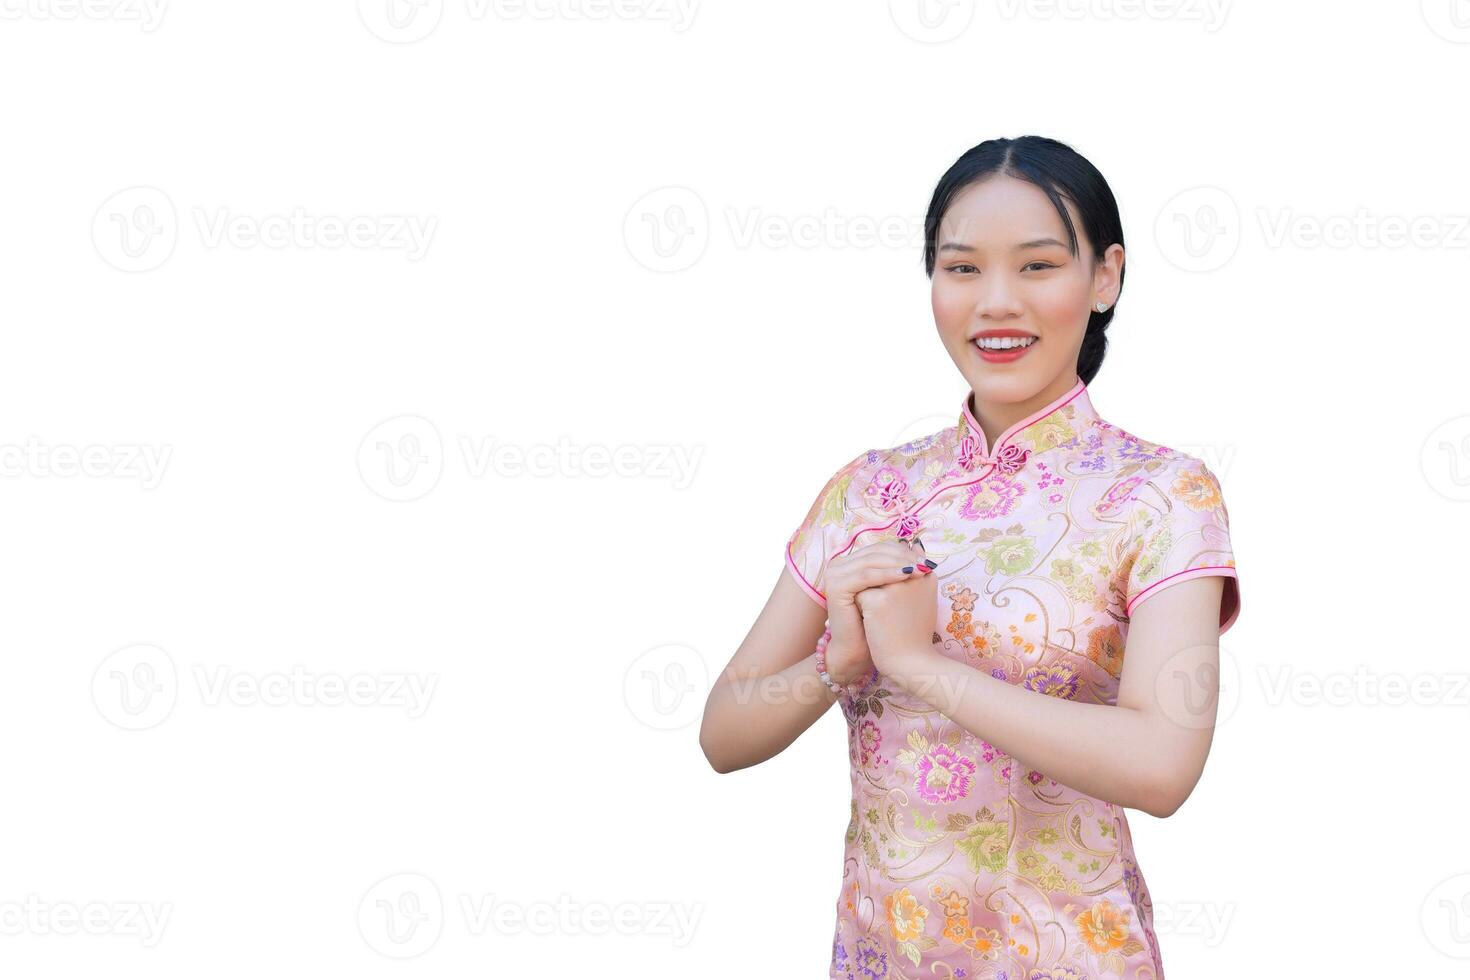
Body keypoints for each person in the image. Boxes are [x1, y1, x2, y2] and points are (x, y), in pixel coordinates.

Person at [699, 135, 1240, 979]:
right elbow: (723, 733)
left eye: (1036, 267)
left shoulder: (1163, 495)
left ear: (1105, 277)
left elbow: (1163, 767)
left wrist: (915, 664)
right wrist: (836, 666)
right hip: (884, 957)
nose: (996, 303)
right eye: (961, 269)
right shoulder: (869, 490)